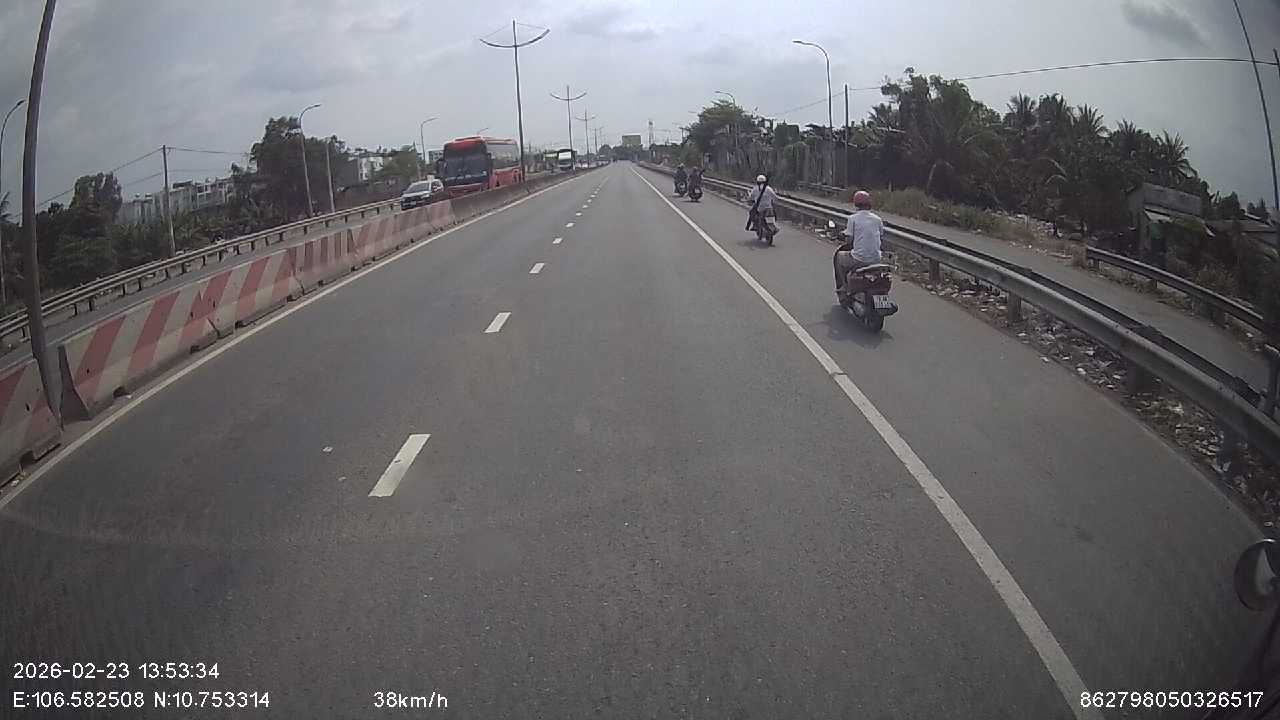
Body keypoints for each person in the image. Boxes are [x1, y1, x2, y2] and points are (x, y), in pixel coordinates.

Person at [834, 190, 884, 292]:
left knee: (839, 257)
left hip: (859, 259)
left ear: (856, 204)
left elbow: (849, 240)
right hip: (876, 259)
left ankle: (843, 286)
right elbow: (880, 235)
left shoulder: (853, 219)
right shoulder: (878, 219)